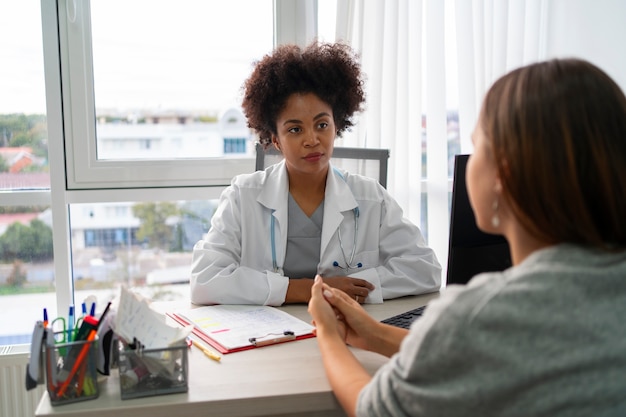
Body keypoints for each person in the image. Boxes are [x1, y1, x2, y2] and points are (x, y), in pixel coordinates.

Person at [308, 57, 626, 417]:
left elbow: (373, 408)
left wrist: (328, 335)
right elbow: (492, 354)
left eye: (477, 145)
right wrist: (374, 335)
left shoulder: (481, 315)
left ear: (501, 175)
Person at [190, 42, 441, 306]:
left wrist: (354, 289)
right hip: (272, 336)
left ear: (337, 126)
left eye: (322, 125)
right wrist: (310, 290)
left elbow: (425, 270)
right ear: (275, 139)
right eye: (295, 130)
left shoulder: (370, 197)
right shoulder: (243, 196)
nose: (312, 140)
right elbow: (205, 279)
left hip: (347, 328)